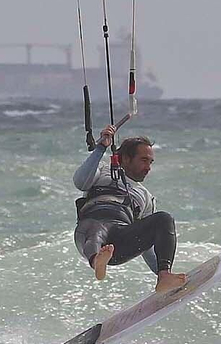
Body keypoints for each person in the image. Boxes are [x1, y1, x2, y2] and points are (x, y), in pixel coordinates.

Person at [73, 125, 187, 293]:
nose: (148, 167)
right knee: (96, 230)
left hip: (120, 239)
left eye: (150, 162)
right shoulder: (102, 171)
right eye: (143, 160)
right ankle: (97, 260)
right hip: (91, 227)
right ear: (126, 158)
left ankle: (164, 277)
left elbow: (145, 245)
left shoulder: (146, 197)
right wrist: (101, 147)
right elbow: (80, 182)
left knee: (164, 218)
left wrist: (158, 271)